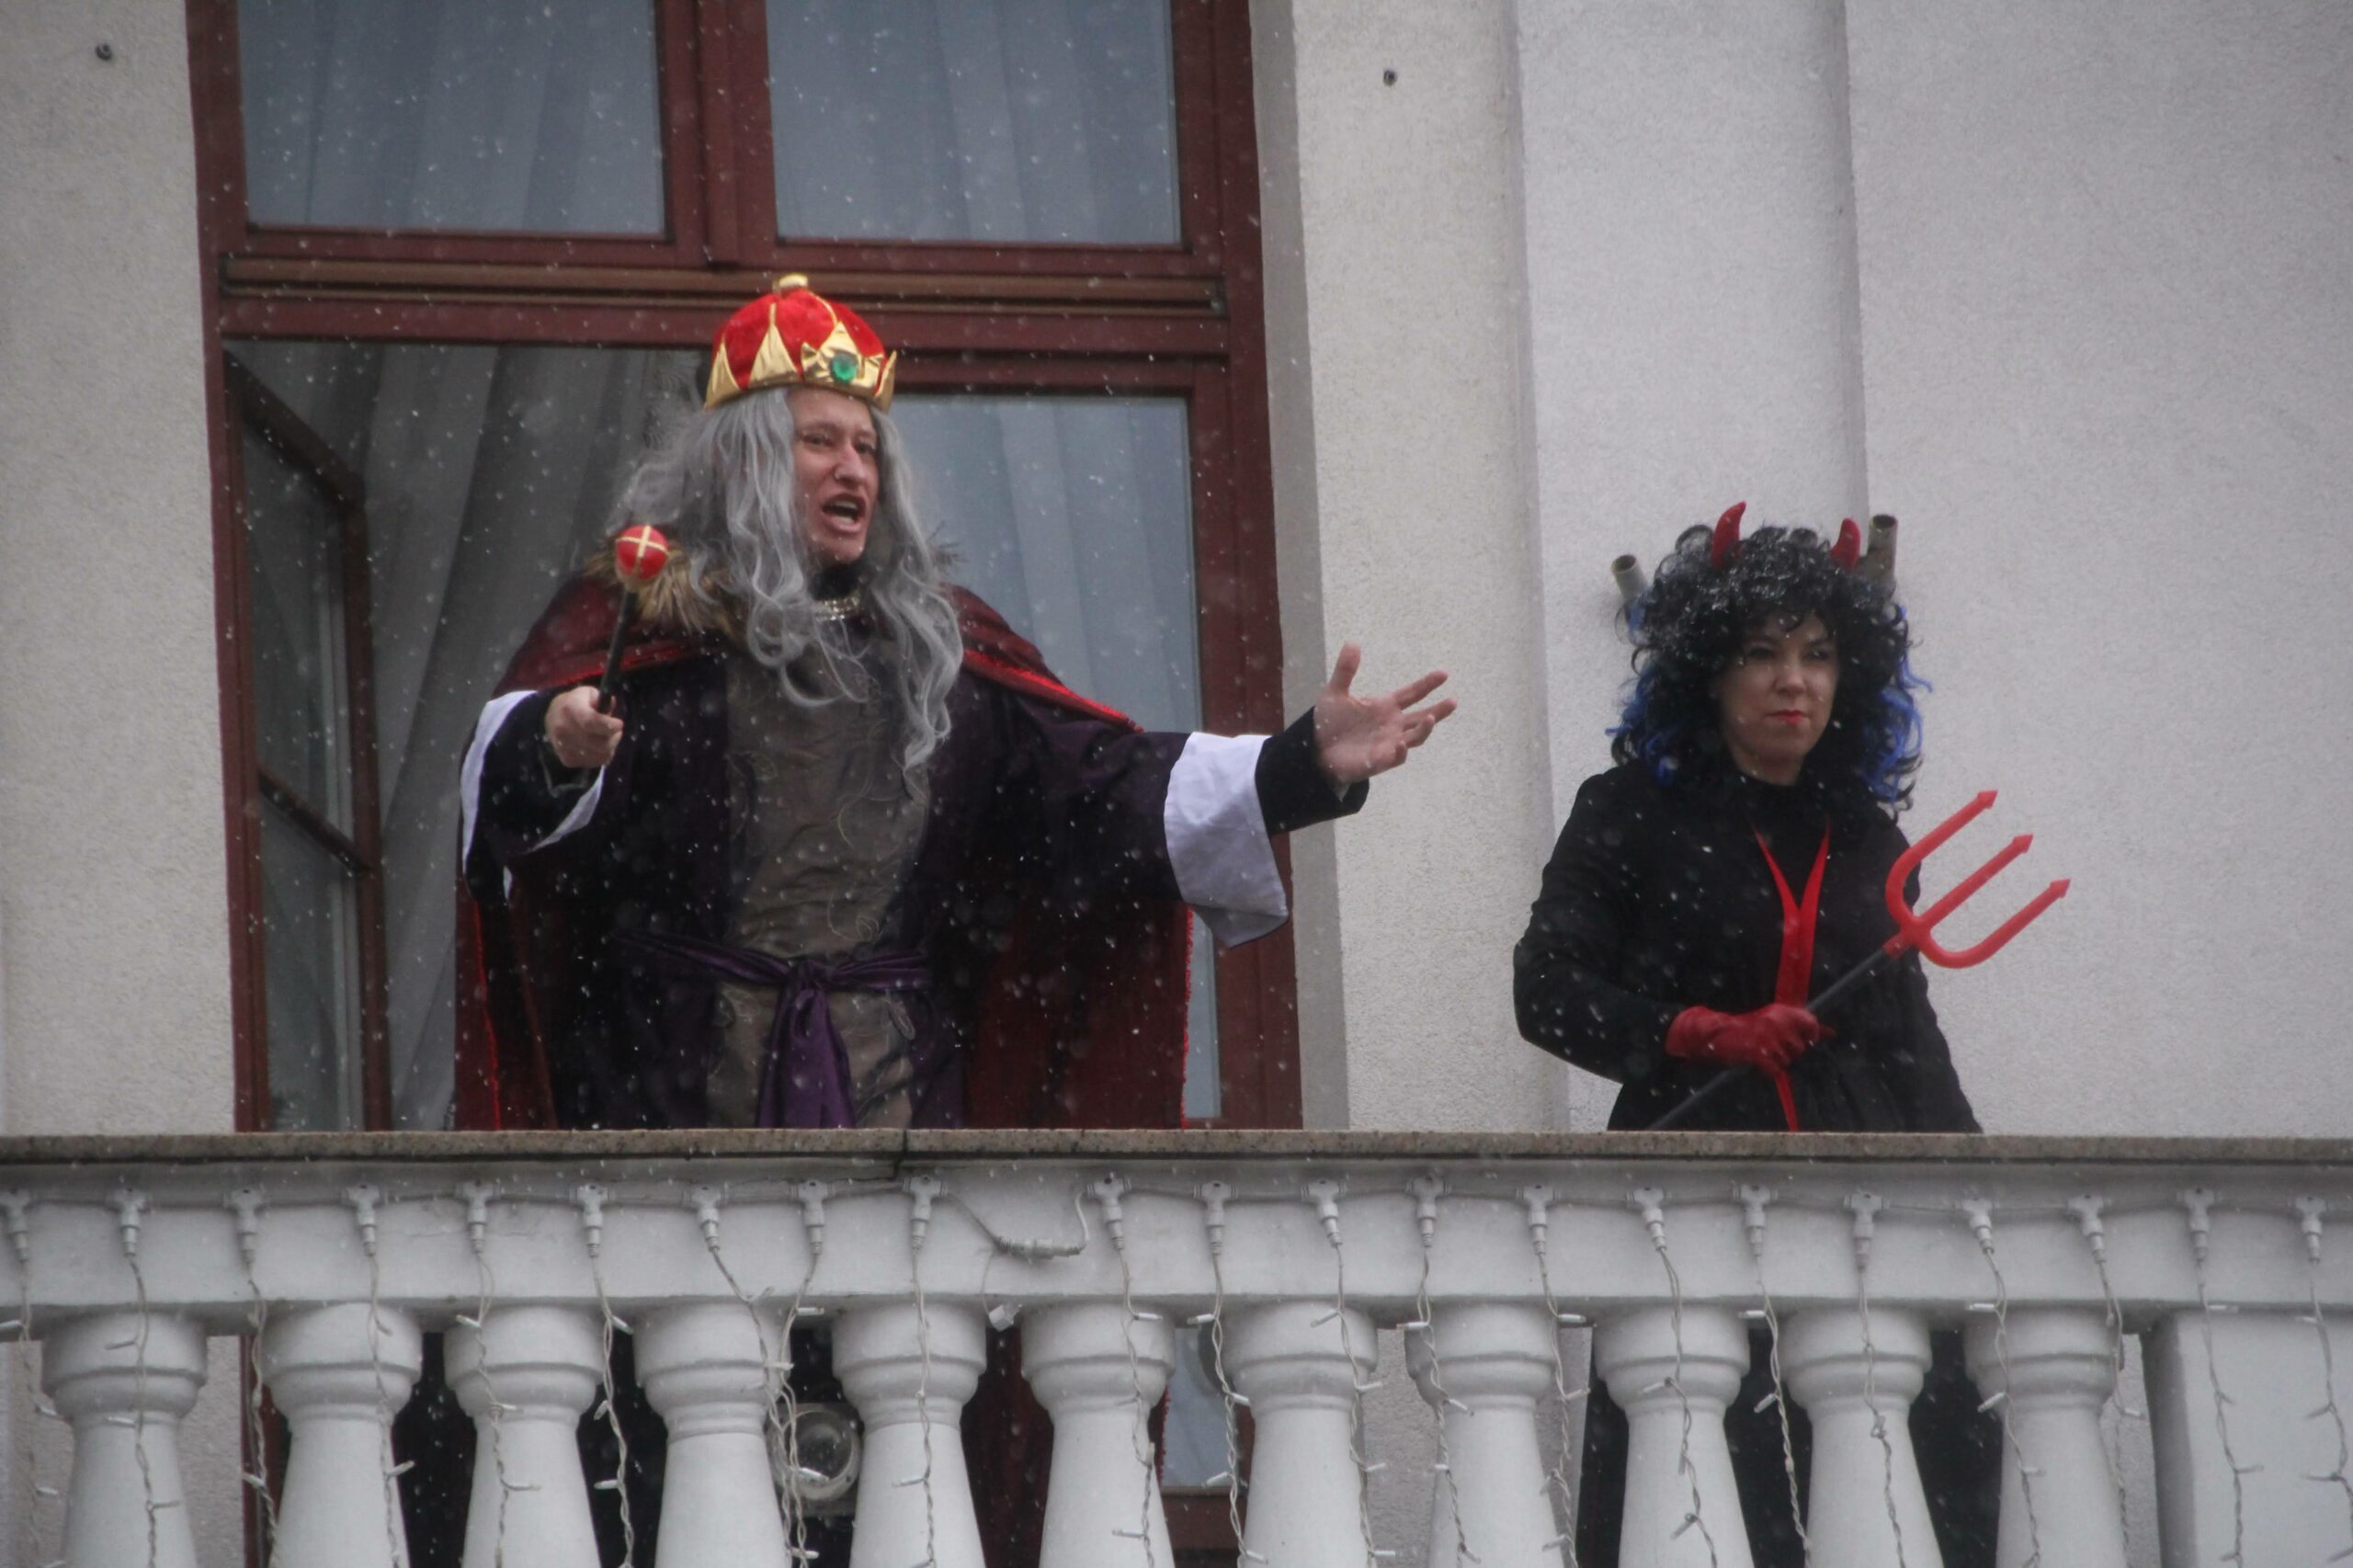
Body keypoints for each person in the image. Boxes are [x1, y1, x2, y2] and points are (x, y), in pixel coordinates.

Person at [443, 276, 1455, 1564]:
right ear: (743, 463)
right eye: (819, 440)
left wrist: (1297, 764)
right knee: (682, 1456)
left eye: (867, 447)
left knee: (895, 1457)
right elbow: (510, 788)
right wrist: (559, 747)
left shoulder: (943, 655)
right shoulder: (642, 637)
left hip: (898, 1115)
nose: (853, 468)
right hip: (667, 1108)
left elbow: (1103, 786)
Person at [1512, 504, 1995, 1562]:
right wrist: (1699, 1030)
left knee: (1895, 1493)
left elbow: (1911, 1041)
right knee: (1705, 1492)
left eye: (1817, 654)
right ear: (1707, 671)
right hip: (1693, 1184)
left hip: (1866, 1200)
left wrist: (1978, 1195)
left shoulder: (1866, 834)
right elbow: (1544, 990)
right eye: (1761, 652)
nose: (1793, 681)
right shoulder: (1629, 810)